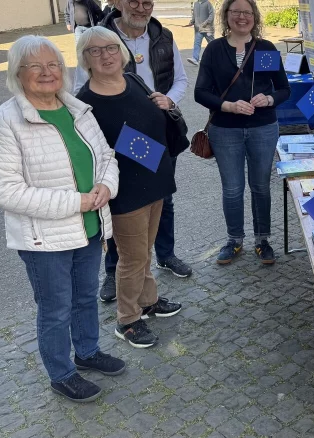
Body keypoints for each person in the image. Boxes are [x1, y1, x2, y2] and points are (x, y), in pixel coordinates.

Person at [0, 36, 124, 402]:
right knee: (56, 309)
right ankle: (61, 374)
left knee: (85, 297)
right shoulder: (6, 122)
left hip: (90, 227)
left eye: (53, 65)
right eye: (36, 66)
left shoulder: (77, 109)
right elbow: (5, 190)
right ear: (18, 73)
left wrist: (106, 186)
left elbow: (106, 156)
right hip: (45, 239)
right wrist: (77, 202)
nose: (47, 73)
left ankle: (88, 352)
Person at [75, 0, 193, 302]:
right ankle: (115, 273)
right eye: (134, 1)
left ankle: (165, 256)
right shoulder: (101, 37)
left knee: (161, 203)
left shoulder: (163, 36)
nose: (141, 8)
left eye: (147, 2)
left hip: (155, 134)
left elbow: (180, 79)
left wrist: (168, 100)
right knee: (122, 212)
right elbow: (80, 96)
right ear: (119, 3)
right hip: (118, 143)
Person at [194, 0, 291, 266]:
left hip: (263, 128)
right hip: (225, 129)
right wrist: (228, 106)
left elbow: (284, 89)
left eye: (247, 12)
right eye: (235, 11)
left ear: (254, 17)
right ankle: (234, 240)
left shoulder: (266, 48)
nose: (241, 17)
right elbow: (200, 92)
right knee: (232, 189)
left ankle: (263, 240)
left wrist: (269, 99)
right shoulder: (214, 49)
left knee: (260, 186)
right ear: (226, 15)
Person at [187, 0, 215, 65]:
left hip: (208, 29)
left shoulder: (208, 3)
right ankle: (195, 58)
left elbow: (212, 15)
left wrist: (205, 23)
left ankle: (218, 56)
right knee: (197, 43)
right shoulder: (196, 4)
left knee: (212, 43)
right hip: (198, 29)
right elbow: (194, 15)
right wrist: (192, 22)